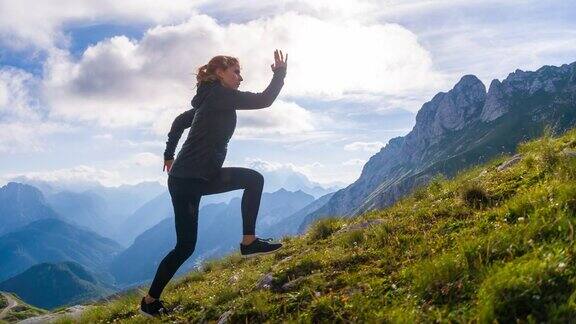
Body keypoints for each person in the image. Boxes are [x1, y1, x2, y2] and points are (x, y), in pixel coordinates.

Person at [139, 49, 288, 318]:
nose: (240, 78)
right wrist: (280, 73)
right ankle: (150, 301)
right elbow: (265, 100)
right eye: (236, 72)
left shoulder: (209, 99)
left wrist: (169, 154)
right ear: (220, 73)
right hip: (186, 181)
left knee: (254, 179)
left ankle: (249, 241)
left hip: (205, 174)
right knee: (185, 247)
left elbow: (177, 122)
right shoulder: (218, 96)